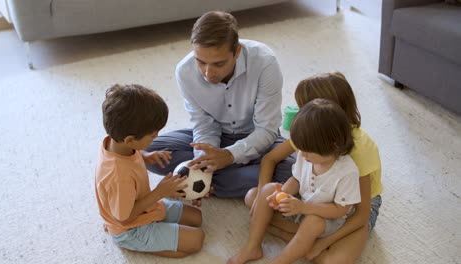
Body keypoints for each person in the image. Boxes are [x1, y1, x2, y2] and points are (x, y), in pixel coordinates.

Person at [145, 11, 295, 201]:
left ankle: (206, 181)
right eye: (201, 62)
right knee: (149, 152)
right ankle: (220, 179)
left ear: (237, 51)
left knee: (292, 170)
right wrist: (202, 164)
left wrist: (230, 155)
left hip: (257, 136)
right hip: (216, 137)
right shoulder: (185, 71)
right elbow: (204, 125)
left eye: (218, 64)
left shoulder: (265, 62)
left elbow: (266, 129)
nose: (208, 73)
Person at [245, 72, 383, 264]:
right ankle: (302, 238)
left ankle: (300, 237)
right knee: (254, 198)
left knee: (333, 260)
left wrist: (323, 242)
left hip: (352, 208)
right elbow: (270, 159)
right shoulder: (309, 131)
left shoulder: (358, 150)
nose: (301, 114)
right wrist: (265, 197)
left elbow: (360, 214)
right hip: (314, 194)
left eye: (304, 108)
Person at [228, 98, 361, 264]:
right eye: (300, 149)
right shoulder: (306, 156)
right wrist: (282, 193)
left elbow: (340, 210)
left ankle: (281, 260)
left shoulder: (347, 172)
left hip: (327, 220)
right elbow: (296, 179)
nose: (302, 155)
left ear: (334, 144)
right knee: (264, 191)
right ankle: (252, 247)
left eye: (308, 151)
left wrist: (305, 208)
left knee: (312, 223)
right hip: (302, 206)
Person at [95, 84, 205, 258]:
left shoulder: (116, 142)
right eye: (153, 135)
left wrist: (146, 155)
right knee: (196, 240)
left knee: (197, 218)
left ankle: (150, 227)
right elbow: (124, 217)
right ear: (130, 139)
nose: (157, 137)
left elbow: (132, 152)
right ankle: (129, 243)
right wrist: (160, 192)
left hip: (146, 207)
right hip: (130, 227)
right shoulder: (119, 177)